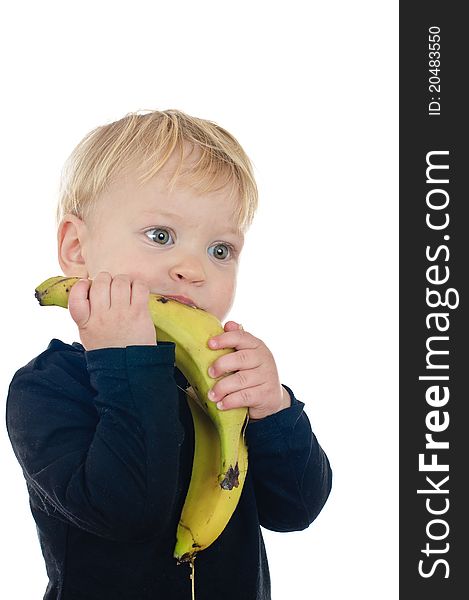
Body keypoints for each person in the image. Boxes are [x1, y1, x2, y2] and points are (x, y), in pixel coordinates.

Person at [6, 109, 332, 600]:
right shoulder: (46, 386)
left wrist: (274, 412)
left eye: (220, 250)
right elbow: (126, 513)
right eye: (161, 236)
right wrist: (125, 362)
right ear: (77, 248)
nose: (193, 269)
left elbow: (296, 509)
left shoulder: (222, 378)